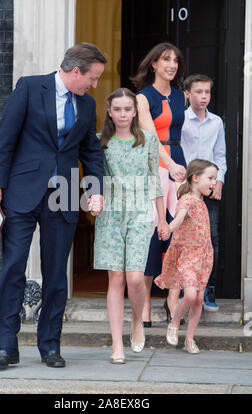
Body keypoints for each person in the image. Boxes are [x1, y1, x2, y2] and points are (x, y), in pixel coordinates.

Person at [0, 43, 107, 369]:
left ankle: (50, 345)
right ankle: (5, 347)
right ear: (75, 71)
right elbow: (5, 138)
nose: (94, 84)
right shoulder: (28, 86)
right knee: (13, 268)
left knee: (56, 275)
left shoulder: (86, 104)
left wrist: (96, 189)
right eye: (92, 77)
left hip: (64, 195)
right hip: (23, 191)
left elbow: (91, 152)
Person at [93, 88, 169, 364]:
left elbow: (155, 180)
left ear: (135, 112)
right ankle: (117, 345)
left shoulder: (148, 139)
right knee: (116, 279)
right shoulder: (100, 141)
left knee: (136, 278)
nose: (123, 114)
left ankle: (137, 320)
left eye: (128, 109)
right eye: (118, 109)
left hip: (140, 213)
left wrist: (161, 218)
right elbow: (94, 174)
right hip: (111, 215)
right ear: (110, 112)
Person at [131, 43, 187, 327]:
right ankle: (144, 307)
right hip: (156, 167)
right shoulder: (143, 98)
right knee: (153, 237)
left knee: (179, 234)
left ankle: (172, 300)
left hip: (179, 165)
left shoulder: (180, 97)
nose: (172, 65)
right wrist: (171, 165)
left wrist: (185, 168)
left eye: (175, 60)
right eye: (166, 59)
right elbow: (150, 138)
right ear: (153, 64)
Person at [155, 159, 218, 353]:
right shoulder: (188, 200)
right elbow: (179, 218)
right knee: (190, 294)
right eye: (210, 178)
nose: (214, 183)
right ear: (195, 178)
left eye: (214, 179)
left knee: (198, 299)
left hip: (204, 256)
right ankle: (175, 322)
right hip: (188, 255)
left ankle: (190, 338)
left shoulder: (200, 200)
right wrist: (168, 228)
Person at [181, 74, 227, 311]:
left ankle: (208, 290)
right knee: (181, 238)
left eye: (207, 92)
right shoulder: (181, 120)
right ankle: (181, 289)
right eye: (198, 92)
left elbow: (220, 155)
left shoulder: (216, 122)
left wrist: (218, 181)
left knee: (211, 239)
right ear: (187, 94)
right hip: (185, 189)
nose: (204, 97)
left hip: (208, 188)